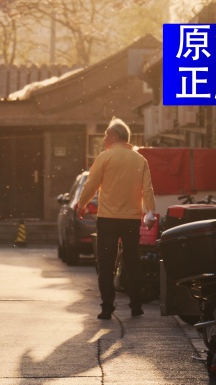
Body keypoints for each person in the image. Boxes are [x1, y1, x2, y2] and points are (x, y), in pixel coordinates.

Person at [77, 117, 156, 320]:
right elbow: (147, 188)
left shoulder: (105, 157)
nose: (104, 138)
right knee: (132, 261)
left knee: (106, 263)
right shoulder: (140, 160)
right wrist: (149, 211)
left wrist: (82, 204)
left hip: (108, 219)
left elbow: (91, 185)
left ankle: (107, 308)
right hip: (131, 219)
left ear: (115, 136)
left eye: (106, 135)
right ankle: (136, 306)